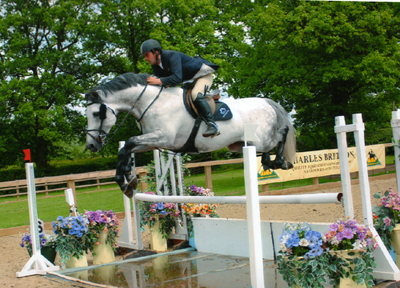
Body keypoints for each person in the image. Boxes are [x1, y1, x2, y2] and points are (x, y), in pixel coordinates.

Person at [140, 39, 220, 137]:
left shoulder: (171, 56)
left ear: (156, 52)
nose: (145, 58)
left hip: (202, 76)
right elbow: (162, 82)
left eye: (146, 55)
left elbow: (177, 78)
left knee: (195, 94)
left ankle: (212, 124)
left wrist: (157, 81)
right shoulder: (156, 65)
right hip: (188, 81)